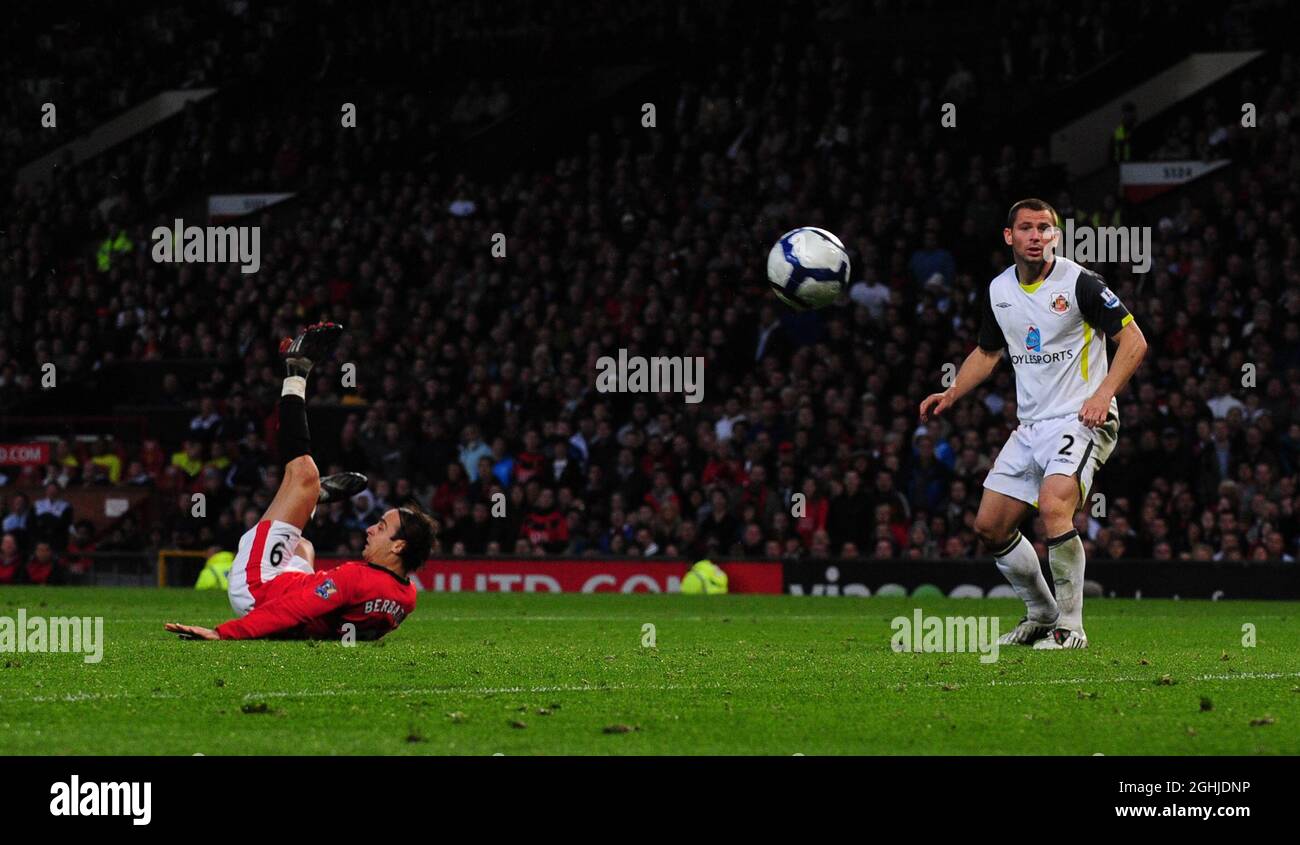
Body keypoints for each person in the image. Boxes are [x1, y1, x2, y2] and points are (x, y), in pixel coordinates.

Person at [919, 198, 1148, 649]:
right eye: (1026, 228)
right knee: (990, 525)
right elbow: (987, 354)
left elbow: (1134, 341)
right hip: (1031, 425)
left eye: (1045, 228)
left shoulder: (1081, 283)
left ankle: (1071, 627)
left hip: (1082, 417)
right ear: (1009, 237)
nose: (1036, 236)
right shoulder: (999, 290)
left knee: (1053, 506)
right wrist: (951, 393)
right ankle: (1042, 614)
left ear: (1056, 236)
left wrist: (1103, 395)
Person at [164, 323, 437, 641]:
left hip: (256, 585)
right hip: (290, 578)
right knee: (303, 546)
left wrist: (223, 633)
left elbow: (295, 609)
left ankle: (297, 369)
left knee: (304, 472)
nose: (369, 529)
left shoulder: (355, 579)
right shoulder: (407, 598)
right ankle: (309, 497)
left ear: (399, 545)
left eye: (380, 527)